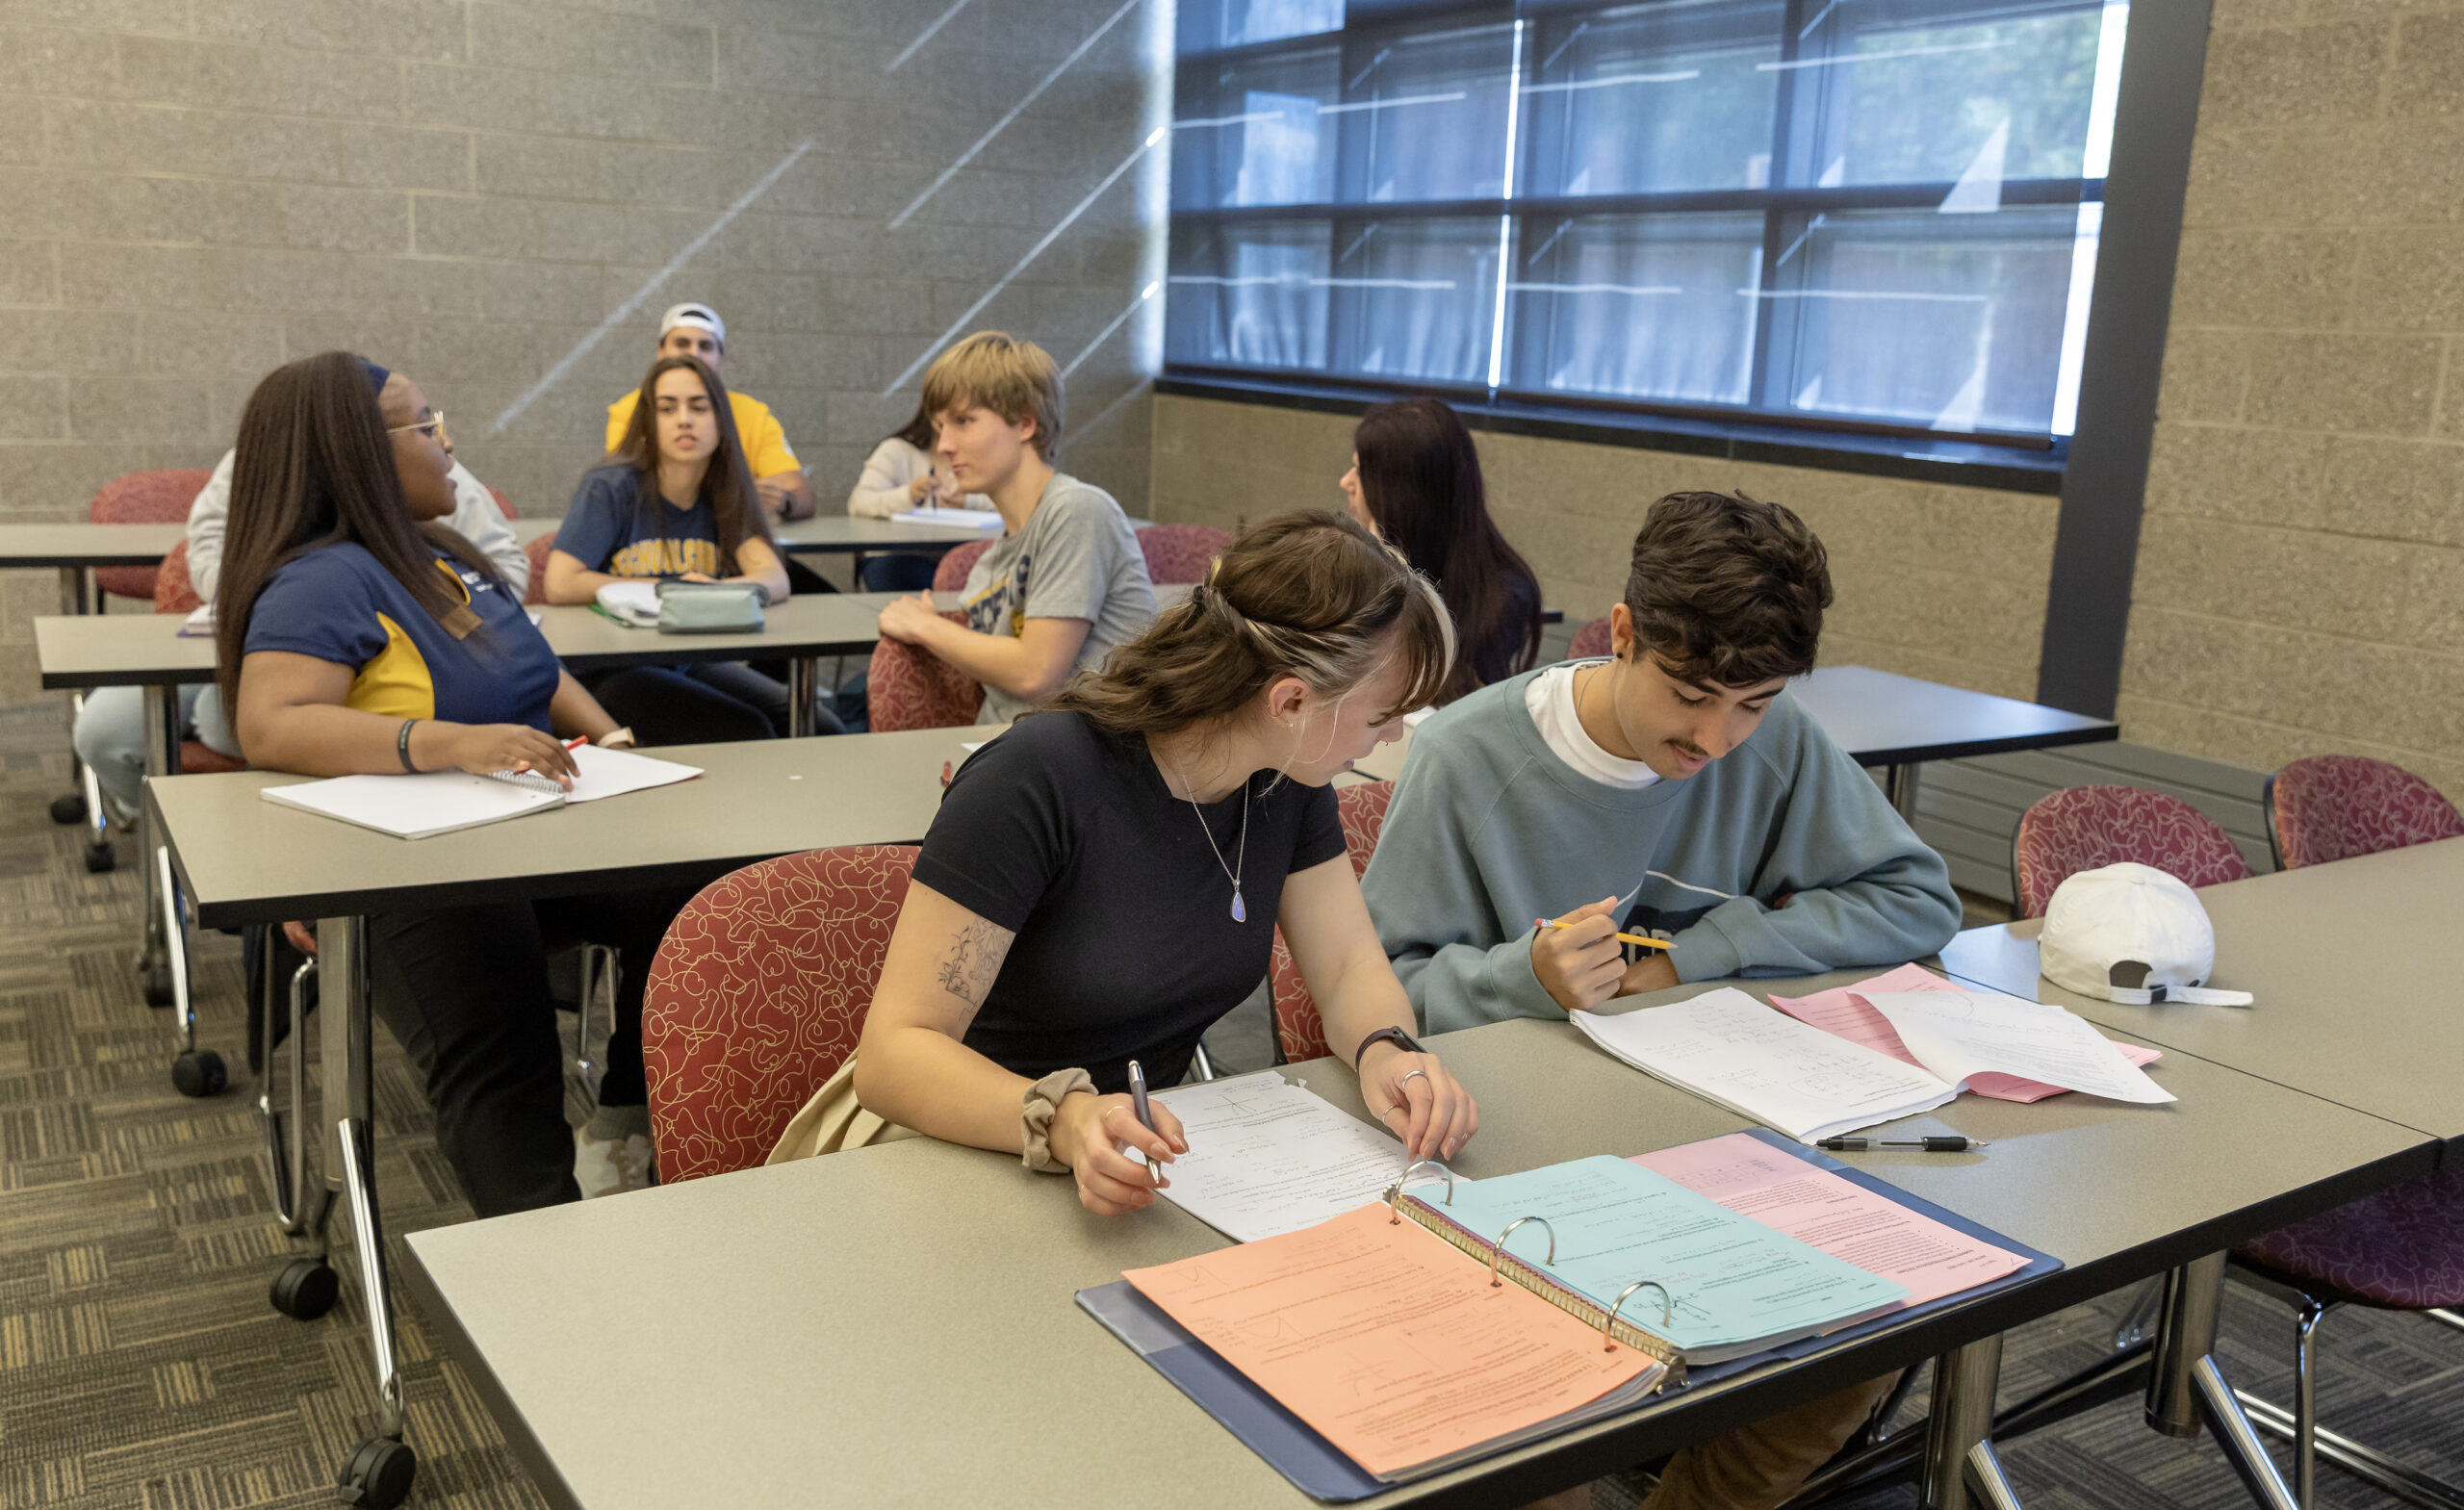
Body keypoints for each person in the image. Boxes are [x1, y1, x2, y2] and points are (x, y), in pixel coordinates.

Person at [1363, 490, 1964, 1510]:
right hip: (1526, 1160)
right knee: (1532, 1417)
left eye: (1753, 704)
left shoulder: (1770, 741)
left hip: (1718, 1136)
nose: (1718, 739)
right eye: (1690, 695)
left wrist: (1699, 956)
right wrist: (1525, 978)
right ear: (1625, 634)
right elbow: (1373, 999)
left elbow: (1914, 898)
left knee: (1876, 1319)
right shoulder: (1466, 757)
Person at [795, 511, 1478, 1208]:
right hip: (947, 1143)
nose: (1395, 733)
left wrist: (1386, 1050)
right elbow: (893, 1056)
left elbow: (1347, 970)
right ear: (1290, 699)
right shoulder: (1038, 779)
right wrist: (1062, 1118)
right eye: (1383, 712)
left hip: (1124, 1154)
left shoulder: (1286, 781)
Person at [217, 351, 682, 1211]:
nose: (448, 440)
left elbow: (536, 671)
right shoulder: (322, 580)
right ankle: (551, 1277)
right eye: (427, 426)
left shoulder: (438, 555)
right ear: (359, 449)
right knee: (507, 1051)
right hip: (407, 868)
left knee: (700, 893)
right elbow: (270, 723)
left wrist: (612, 738)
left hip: (523, 834)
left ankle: (623, 1117)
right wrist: (449, 743)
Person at [69, 441, 527, 820]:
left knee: (224, 721)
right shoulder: (263, 461)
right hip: (239, 641)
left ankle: (242, 852)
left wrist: (417, 599)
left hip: (381, 663)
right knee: (104, 730)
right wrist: (275, 599)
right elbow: (207, 545)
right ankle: (160, 836)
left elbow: (506, 572)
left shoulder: (435, 471)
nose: (443, 441)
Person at [873, 331, 1155, 726]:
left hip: (1085, 761)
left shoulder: (1077, 510)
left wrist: (925, 626)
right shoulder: (988, 566)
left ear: (1024, 423)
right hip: (1011, 749)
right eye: (940, 428)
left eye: (963, 421)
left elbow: (1035, 673)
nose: (946, 446)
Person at [550, 354, 836, 741]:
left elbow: (774, 578)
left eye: (699, 407)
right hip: (610, 668)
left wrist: (712, 592)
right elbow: (561, 582)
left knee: (820, 725)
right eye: (668, 409)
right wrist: (672, 588)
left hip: (686, 660)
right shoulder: (611, 486)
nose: (684, 419)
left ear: (721, 421)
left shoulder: (727, 489)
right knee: (749, 730)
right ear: (649, 424)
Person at [1338, 397, 1541, 704]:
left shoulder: (1502, 596)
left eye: (1360, 471)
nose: (1346, 482)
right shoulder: (1358, 560)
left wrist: (1389, 567)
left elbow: (1447, 704)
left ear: (1403, 491)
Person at [605, 301, 811, 522]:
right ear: (661, 351)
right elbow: (621, 491)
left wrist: (780, 500)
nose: (685, 421)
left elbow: (801, 495)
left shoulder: (753, 414)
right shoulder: (629, 410)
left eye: (706, 346)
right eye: (667, 409)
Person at [844, 397, 994, 591]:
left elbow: (1017, 502)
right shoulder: (896, 450)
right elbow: (859, 502)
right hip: (902, 558)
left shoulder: (988, 454)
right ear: (932, 417)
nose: (948, 442)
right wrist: (909, 496)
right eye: (944, 423)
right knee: (904, 574)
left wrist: (971, 501)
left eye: (964, 421)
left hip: (967, 557)